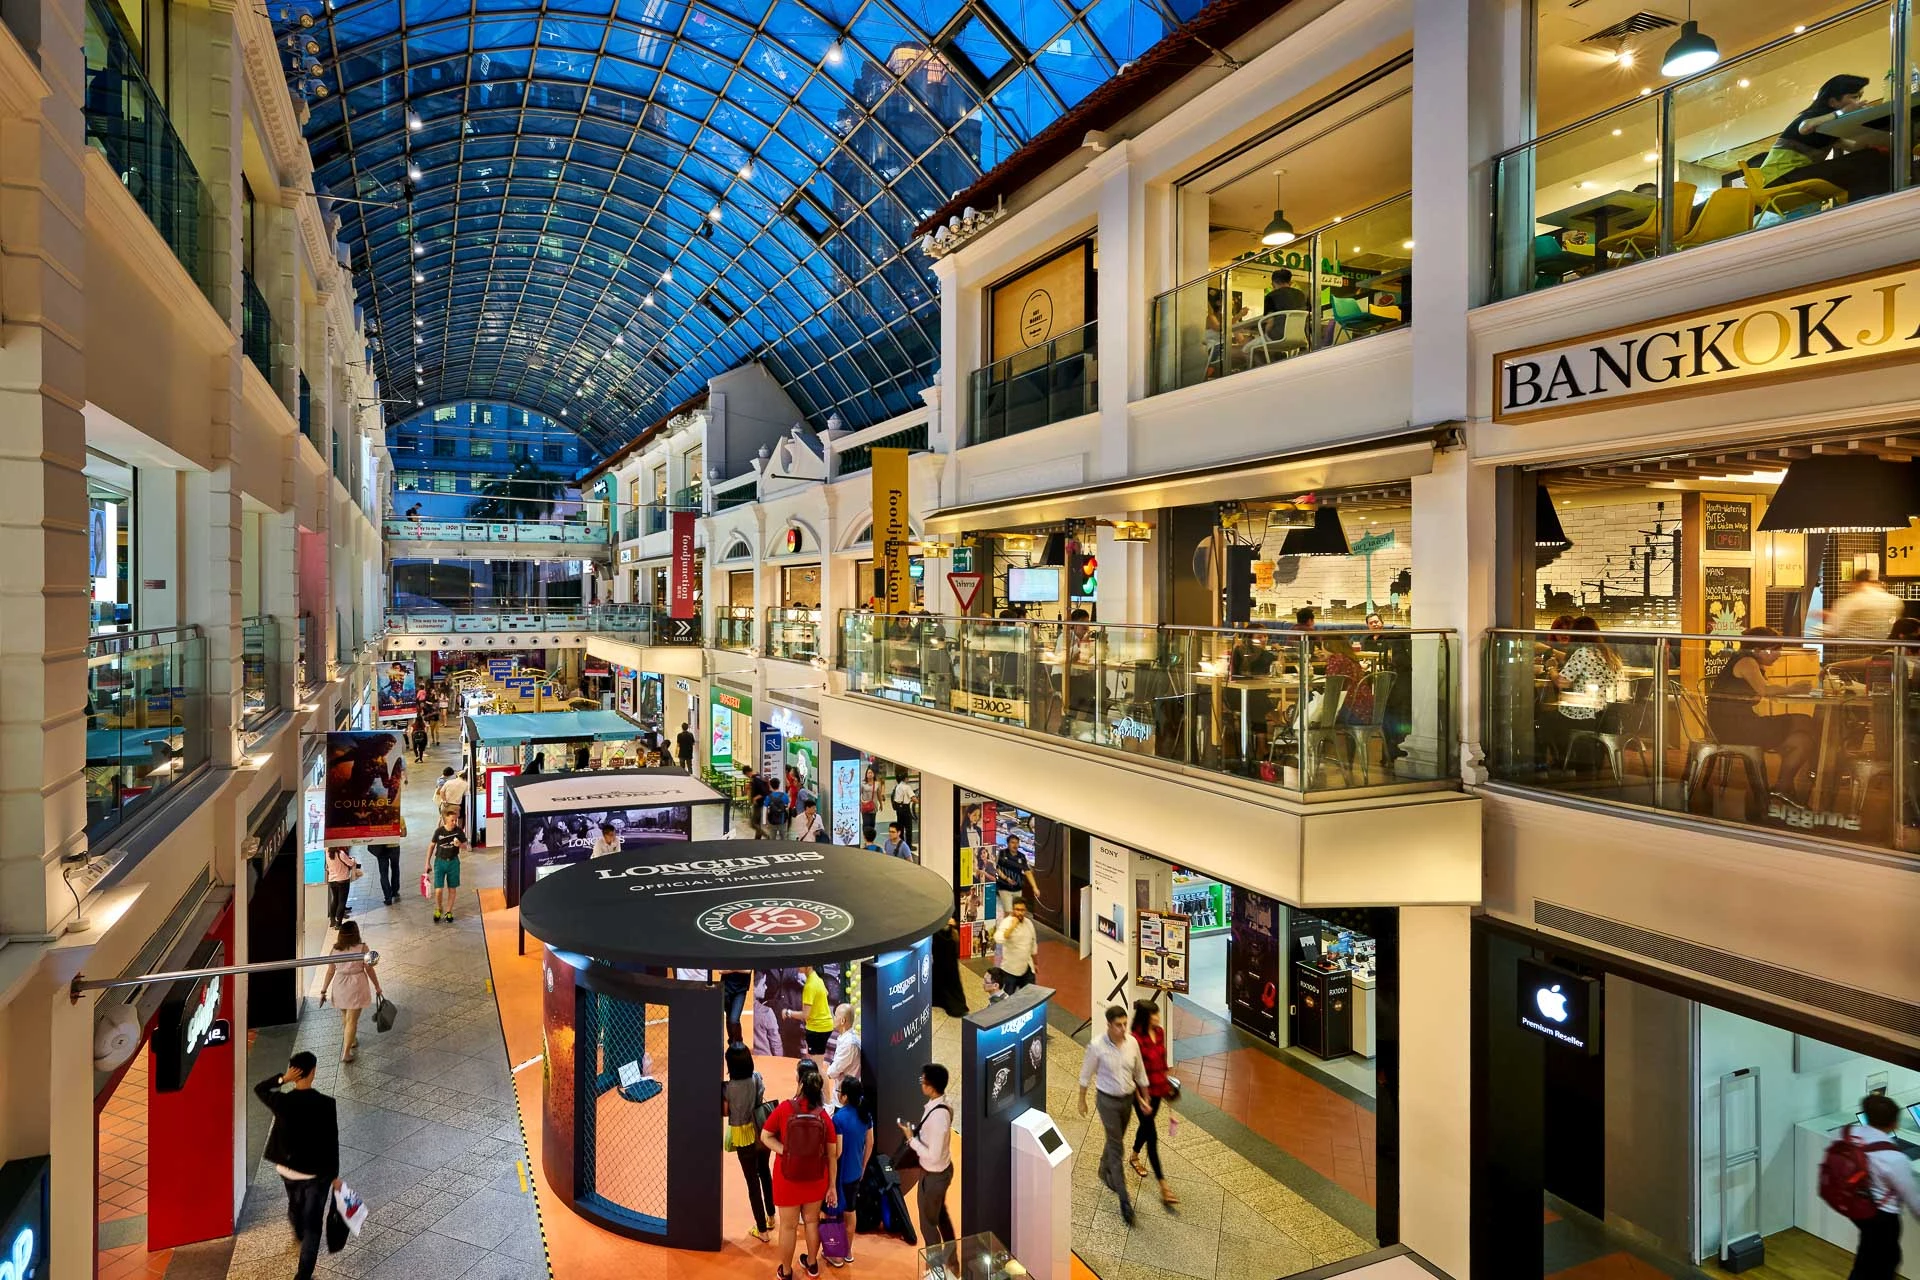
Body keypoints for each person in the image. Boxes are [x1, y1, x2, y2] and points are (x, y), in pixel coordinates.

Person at [1707, 626, 1817, 807]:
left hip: (1732, 725)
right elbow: (1764, 690)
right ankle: (1812, 773)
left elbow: (1763, 690)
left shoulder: (1745, 660)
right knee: (1804, 721)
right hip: (1737, 728)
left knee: (1803, 742)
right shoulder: (1747, 662)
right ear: (1757, 650)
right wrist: (1792, 689)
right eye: (1774, 650)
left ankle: (1782, 788)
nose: (1778, 655)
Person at [255, 1052, 340, 1280]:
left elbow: (260, 1089)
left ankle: (297, 1229)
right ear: (313, 1072)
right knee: (314, 1225)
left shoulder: (282, 1101)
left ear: (294, 1073)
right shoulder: (326, 1104)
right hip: (315, 1174)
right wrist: (334, 1176)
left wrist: (282, 1079)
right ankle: (302, 1275)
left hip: (287, 1169)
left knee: (294, 1203)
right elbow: (331, 1142)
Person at [762, 1064, 840, 1280]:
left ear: (801, 1085)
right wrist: (832, 1186)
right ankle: (812, 1264)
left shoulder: (784, 1109)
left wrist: (785, 1151)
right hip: (816, 1178)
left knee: (787, 1227)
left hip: (787, 1177)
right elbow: (832, 1155)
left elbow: (765, 1136)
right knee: (812, 1222)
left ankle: (786, 1272)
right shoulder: (825, 1118)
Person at [1758, 74, 1893, 197]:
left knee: (1871, 156)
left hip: (1791, 175)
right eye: (1854, 97)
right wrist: (1842, 112)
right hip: (1780, 178)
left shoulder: (1829, 127)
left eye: (1859, 97)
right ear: (1833, 102)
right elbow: (1805, 127)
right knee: (1869, 158)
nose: (1858, 102)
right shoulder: (1813, 116)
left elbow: (1853, 147)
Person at [1078, 1004, 1150, 1225]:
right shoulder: (1097, 1046)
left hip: (1127, 1100)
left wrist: (1145, 1098)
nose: (1122, 1028)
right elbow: (1085, 1074)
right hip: (1107, 1101)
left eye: (1125, 1024)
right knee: (1117, 1148)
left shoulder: (1132, 1044)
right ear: (1108, 1025)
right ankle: (1124, 1200)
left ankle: (1103, 1168)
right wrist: (1081, 1099)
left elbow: (1140, 1073)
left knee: (1114, 1139)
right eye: (1118, 1025)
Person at [1846, 1092, 1920, 1277]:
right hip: (1884, 1218)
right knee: (1885, 1263)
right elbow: (1913, 1200)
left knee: (1865, 1260)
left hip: (1861, 1208)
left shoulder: (1852, 1136)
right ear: (1894, 1123)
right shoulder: (1894, 1158)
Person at [896, 1064, 954, 1247]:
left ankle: (936, 1271)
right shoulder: (942, 1107)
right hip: (938, 1172)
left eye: (923, 1080)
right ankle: (952, 1264)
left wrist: (911, 1140)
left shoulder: (938, 1118)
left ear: (930, 1086)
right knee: (940, 1216)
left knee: (928, 1225)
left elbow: (933, 1155)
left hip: (934, 1176)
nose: (921, 1083)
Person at [1128, 1001, 1179, 1206]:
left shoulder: (1159, 1032)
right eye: (1154, 1014)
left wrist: (1168, 1087)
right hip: (1142, 1095)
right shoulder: (1135, 1040)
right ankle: (1164, 1186)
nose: (1158, 1017)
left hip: (1158, 1091)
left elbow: (1162, 1064)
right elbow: (1132, 1073)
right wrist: (1141, 1099)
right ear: (1144, 1016)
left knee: (1146, 1127)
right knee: (1153, 1136)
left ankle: (1133, 1155)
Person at [723, 1043, 775, 1244]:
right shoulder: (756, 1078)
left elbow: (726, 1111)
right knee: (764, 1173)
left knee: (751, 1182)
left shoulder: (728, 1088)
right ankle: (771, 1216)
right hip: (761, 1130)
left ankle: (762, 1230)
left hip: (742, 1136)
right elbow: (761, 1096)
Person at [318, 921, 382, 1064]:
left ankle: (352, 1041)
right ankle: (346, 1053)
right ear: (356, 934)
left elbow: (330, 971)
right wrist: (377, 986)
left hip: (340, 984)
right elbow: (369, 969)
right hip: (356, 985)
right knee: (352, 1020)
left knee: (346, 1015)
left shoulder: (335, 950)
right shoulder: (362, 948)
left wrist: (323, 990)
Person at [831, 1078, 874, 1263]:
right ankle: (848, 1252)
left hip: (840, 1175)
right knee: (850, 1212)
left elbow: (836, 1152)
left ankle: (836, 1255)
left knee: (834, 1215)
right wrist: (863, 1166)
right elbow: (870, 1143)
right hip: (856, 1173)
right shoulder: (866, 1115)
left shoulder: (838, 1118)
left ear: (845, 1096)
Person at [1825, 569, 1905, 641]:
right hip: (1884, 649)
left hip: (1853, 649)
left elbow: (1833, 630)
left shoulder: (1851, 600)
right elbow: (1894, 624)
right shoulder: (1895, 601)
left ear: (1856, 582)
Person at [1320, 633, 1374, 727]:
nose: (1321, 650)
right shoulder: (1350, 658)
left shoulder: (1335, 660)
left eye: (1322, 646)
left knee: (1307, 701)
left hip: (1350, 712)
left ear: (1327, 645)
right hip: (1366, 711)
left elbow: (1331, 689)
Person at [425, 808, 466, 923]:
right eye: (452, 820)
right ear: (446, 820)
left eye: (456, 820)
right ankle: (438, 908)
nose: (454, 823)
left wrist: (460, 845)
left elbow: (466, 846)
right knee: (438, 890)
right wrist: (427, 862)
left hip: (453, 862)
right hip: (440, 862)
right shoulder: (439, 832)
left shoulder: (458, 831)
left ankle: (449, 911)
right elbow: (431, 846)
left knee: (452, 888)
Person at [992, 897, 1038, 991]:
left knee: (1030, 998)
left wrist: (1035, 963)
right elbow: (998, 938)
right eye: (1017, 910)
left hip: (1027, 968)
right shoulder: (1006, 923)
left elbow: (1033, 945)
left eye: (1022, 910)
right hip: (1010, 970)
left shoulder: (1029, 923)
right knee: (1008, 1001)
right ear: (1013, 910)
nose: (1020, 913)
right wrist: (1012, 926)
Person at [930, 918, 969, 1017]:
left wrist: (953, 925)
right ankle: (939, 1000)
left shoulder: (952, 922)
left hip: (949, 956)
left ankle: (955, 1005)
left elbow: (957, 937)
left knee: (951, 978)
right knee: (939, 976)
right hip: (939, 954)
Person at [994, 831, 1043, 908]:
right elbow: (997, 868)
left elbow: (1027, 872)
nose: (1015, 845)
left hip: (1017, 888)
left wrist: (1034, 887)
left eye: (1017, 843)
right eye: (1012, 843)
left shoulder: (1021, 856)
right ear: (1008, 843)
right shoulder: (1002, 853)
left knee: (1016, 909)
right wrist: (1006, 878)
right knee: (1008, 911)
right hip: (1004, 887)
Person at [794, 963, 834, 1055]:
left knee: (815, 1063)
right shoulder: (818, 980)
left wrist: (789, 1013)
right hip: (823, 1026)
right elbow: (826, 993)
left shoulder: (810, 986)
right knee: (816, 1060)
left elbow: (805, 1015)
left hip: (817, 1028)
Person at [826, 1004, 860, 1103]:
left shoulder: (849, 1044)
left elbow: (832, 1072)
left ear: (842, 1021)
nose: (833, 1018)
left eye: (835, 1016)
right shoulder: (846, 1038)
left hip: (846, 1099)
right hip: (841, 1093)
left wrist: (830, 1071)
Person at [324, 846, 359, 928]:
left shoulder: (327, 852)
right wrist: (353, 859)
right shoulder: (340, 853)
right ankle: (338, 923)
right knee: (342, 902)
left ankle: (332, 921)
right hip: (343, 880)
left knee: (335, 900)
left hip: (332, 880)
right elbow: (350, 863)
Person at [366, 841, 401, 906]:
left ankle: (388, 898)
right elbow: (404, 834)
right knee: (395, 868)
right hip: (394, 847)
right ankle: (395, 891)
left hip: (381, 848)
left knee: (383, 874)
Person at [890, 773, 917, 844]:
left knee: (900, 827)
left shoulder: (897, 786)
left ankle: (901, 843)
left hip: (898, 808)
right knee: (908, 828)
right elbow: (913, 798)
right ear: (905, 779)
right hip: (905, 809)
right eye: (908, 778)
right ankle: (909, 845)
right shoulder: (907, 787)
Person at [859, 765, 880, 842]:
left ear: (873, 774)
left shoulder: (877, 784)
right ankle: (866, 839)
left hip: (873, 806)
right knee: (866, 823)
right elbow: (859, 794)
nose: (870, 774)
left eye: (871, 773)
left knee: (872, 823)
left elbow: (879, 794)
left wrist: (881, 804)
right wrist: (862, 801)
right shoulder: (863, 784)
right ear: (866, 774)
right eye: (868, 773)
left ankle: (871, 839)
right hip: (865, 806)